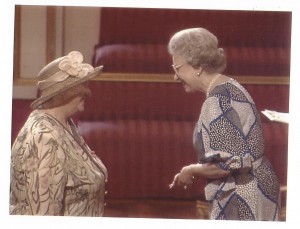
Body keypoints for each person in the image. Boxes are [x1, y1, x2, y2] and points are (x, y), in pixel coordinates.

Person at [168, 28, 280, 220]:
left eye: (177, 68)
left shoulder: (216, 103)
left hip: (243, 197)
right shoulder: (232, 85)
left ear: (198, 66)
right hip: (260, 188)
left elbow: (227, 165)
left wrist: (191, 170)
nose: (175, 76)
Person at [10, 51, 108, 216]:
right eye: (83, 86)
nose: (88, 92)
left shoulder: (65, 123)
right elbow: (44, 217)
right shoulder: (44, 138)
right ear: (65, 93)